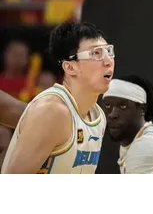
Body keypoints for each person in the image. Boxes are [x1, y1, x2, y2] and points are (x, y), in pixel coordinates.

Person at [1, 21, 113, 174]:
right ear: (70, 67)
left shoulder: (98, 115)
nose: (108, 61)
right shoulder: (52, 111)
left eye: (109, 51)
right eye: (96, 53)